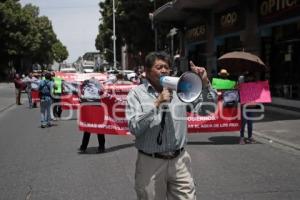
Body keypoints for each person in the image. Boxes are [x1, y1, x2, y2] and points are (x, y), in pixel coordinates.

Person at [125, 51, 217, 200]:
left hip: (179, 161)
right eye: (159, 67)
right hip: (150, 164)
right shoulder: (136, 94)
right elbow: (134, 127)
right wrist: (157, 104)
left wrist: (205, 83)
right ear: (147, 72)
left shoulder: (180, 89)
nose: (163, 70)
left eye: (166, 67)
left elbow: (207, 110)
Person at [78, 77, 106, 153]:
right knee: (99, 128)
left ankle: (83, 147)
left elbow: (80, 100)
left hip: (88, 110)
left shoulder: (84, 89)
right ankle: (101, 147)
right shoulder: (98, 89)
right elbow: (104, 96)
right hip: (97, 109)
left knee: (87, 129)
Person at [238, 71, 257, 144]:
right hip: (244, 106)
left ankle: (249, 137)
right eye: (249, 77)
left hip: (251, 106)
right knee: (243, 122)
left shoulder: (254, 84)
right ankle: (241, 138)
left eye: (251, 77)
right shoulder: (242, 84)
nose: (250, 78)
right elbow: (239, 92)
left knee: (250, 122)